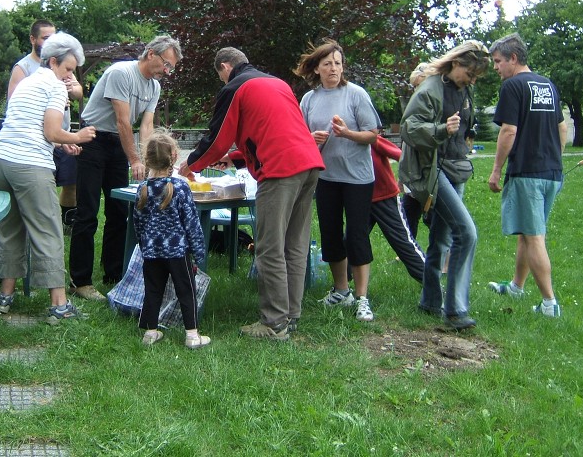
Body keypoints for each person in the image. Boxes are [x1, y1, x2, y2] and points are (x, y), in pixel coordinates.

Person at [178, 47, 322, 340]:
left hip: (280, 170)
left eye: (220, 75)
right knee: (294, 245)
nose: (222, 81)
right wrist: (238, 157)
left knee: (269, 248)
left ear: (226, 66)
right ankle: (290, 316)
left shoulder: (235, 86)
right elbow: (272, 130)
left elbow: (217, 138)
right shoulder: (276, 83)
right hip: (308, 164)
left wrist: (190, 165)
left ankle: (274, 324)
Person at [0, 32, 97, 323]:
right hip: (29, 164)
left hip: (1, 160)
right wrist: (77, 135)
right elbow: (51, 131)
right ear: (53, 61)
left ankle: (5, 298)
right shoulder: (55, 85)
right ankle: (59, 305)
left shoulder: (26, 82)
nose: (70, 77)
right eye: (68, 69)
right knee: (48, 230)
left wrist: (62, 143)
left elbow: (30, 124)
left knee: (11, 230)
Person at [69, 35, 183, 301]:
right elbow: (122, 121)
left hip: (119, 144)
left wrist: (151, 161)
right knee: (87, 211)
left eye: (171, 68)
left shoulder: (154, 87)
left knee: (119, 211)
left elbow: (145, 127)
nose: (167, 71)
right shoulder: (121, 72)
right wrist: (134, 160)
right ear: (151, 54)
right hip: (94, 139)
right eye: (166, 64)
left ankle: (114, 274)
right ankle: (80, 281)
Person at [398, 40, 490, 330]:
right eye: (470, 74)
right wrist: (441, 129)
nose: (472, 81)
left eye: (476, 77)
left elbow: (465, 128)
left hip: (456, 168)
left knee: (441, 238)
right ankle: (455, 310)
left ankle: (430, 300)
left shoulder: (465, 90)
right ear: (456, 63)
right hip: (432, 172)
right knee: (467, 232)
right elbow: (409, 129)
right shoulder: (429, 89)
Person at [294, 39, 381, 322]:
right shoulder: (309, 100)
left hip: (357, 178)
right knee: (331, 235)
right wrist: (311, 140)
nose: (334, 68)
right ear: (317, 68)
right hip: (326, 177)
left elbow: (373, 134)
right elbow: (299, 139)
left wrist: (348, 134)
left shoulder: (355, 95)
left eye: (338, 63)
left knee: (356, 236)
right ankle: (341, 291)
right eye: (328, 63)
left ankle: (362, 298)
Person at [487, 33, 567, 317]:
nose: (496, 68)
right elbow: (562, 128)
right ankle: (516, 287)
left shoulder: (513, 86)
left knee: (534, 237)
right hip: (552, 173)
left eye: (498, 61)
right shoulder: (548, 84)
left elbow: (509, 130)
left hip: (527, 173)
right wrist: (554, 156)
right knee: (527, 232)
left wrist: (496, 169)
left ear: (513, 58)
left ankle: (549, 304)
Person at [134, 130, 210, 348]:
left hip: (151, 251)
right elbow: (192, 224)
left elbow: (137, 222)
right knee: (186, 290)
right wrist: (198, 252)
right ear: (174, 157)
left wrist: (143, 245)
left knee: (153, 289)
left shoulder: (143, 189)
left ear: (147, 158)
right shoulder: (181, 187)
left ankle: (150, 332)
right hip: (177, 252)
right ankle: (192, 335)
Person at [7, 19, 83, 229]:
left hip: (59, 136)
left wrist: (68, 91)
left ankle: (67, 221)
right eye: (46, 38)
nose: (52, 41)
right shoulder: (23, 68)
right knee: (44, 218)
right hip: (39, 142)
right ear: (33, 39)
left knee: (70, 182)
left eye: (54, 37)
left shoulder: (63, 66)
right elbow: (16, 106)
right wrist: (78, 136)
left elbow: (78, 92)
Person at [370, 134, 426, 282]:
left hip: (385, 198)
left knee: (402, 241)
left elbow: (401, 156)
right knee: (351, 241)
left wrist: (408, 180)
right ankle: (343, 285)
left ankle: (431, 283)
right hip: (360, 200)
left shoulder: (372, 138)